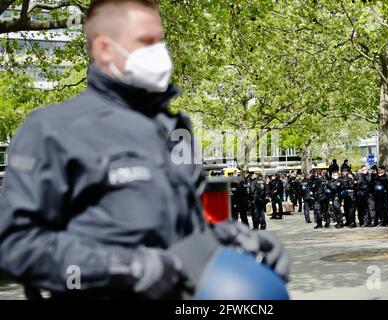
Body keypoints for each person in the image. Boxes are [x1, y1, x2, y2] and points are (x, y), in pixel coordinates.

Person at [0, 0, 289, 299]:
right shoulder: (52, 129)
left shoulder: (174, 128)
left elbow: (182, 233)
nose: (159, 52)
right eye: (145, 42)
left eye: (160, 40)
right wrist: (122, 268)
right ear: (104, 49)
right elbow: (16, 245)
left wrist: (230, 238)